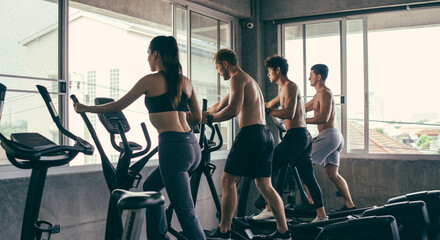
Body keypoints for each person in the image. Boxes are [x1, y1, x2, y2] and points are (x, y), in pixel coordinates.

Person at [73, 36, 205, 240]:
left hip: (173, 148)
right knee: (150, 187)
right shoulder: (184, 81)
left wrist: (86, 108)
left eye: (148, 54)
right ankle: (159, 237)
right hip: (192, 147)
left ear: (156, 54)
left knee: (185, 211)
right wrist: (174, 114)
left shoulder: (150, 80)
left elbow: (117, 105)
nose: (147, 59)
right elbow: (197, 117)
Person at [203, 49, 290, 240]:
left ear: (225, 63)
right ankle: (284, 232)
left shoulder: (236, 79)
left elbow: (233, 110)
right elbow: (220, 106)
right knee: (264, 185)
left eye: (217, 68)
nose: (218, 72)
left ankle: (224, 231)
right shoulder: (247, 80)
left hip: (250, 134)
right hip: (265, 134)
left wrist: (210, 119)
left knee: (228, 181)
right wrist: (203, 115)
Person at [252, 55, 328, 223]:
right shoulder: (283, 89)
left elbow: (289, 113)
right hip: (301, 137)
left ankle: (269, 208)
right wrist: (253, 104)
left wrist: (269, 112)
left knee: (267, 165)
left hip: (296, 137)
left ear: (277, 70)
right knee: (308, 177)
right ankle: (321, 215)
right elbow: (268, 104)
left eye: (269, 71)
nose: (268, 75)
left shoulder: (290, 87)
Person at [305, 63, 356, 212]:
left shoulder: (325, 93)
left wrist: (302, 121)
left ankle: (311, 202)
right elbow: (300, 108)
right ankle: (350, 206)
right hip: (334, 137)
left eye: (311, 75)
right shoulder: (318, 95)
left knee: (304, 164)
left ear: (318, 77)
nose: (309, 78)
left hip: (329, 135)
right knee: (332, 173)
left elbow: (322, 118)